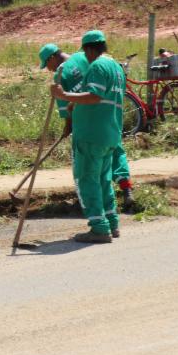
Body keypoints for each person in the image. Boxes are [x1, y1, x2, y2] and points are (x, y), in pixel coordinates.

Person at [39, 42, 135, 212]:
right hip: (109, 116)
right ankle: (126, 189)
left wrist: (68, 128)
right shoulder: (88, 57)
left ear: (52, 58)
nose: (48, 69)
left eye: (46, 64)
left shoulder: (60, 76)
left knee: (86, 165)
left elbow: (68, 111)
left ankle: (89, 204)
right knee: (115, 151)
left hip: (87, 125)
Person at [48, 30, 125, 243]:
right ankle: (111, 223)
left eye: (85, 52)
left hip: (92, 133)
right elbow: (103, 97)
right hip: (110, 133)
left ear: (89, 49)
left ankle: (99, 229)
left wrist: (64, 95)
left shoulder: (97, 66)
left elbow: (94, 96)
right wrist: (74, 102)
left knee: (87, 180)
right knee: (103, 180)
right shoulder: (116, 67)